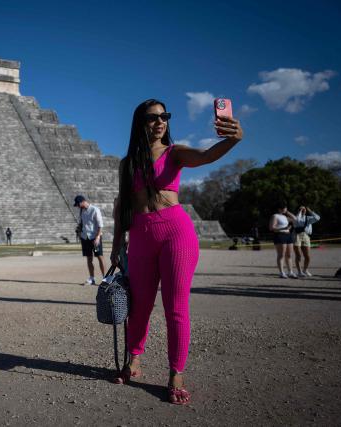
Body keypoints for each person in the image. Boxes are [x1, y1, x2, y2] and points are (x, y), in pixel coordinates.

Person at [109, 99, 244, 404]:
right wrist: (117, 247)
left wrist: (233, 139)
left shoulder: (175, 152)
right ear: (139, 123)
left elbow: (208, 155)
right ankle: (134, 360)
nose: (160, 122)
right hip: (141, 235)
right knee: (139, 306)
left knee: (176, 307)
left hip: (176, 233)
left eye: (164, 116)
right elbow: (122, 208)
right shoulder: (127, 163)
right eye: (152, 118)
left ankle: (176, 374)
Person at [74, 195, 106, 285]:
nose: (77, 206)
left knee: (100, 256)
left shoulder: (95, 210)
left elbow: (100, 225)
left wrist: (97, 237)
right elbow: (82, 223)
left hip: (94, 237)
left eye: (78, 204)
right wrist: (80, 232)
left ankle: (105, 278)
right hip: (85, 237)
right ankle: (92, 278)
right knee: (89, 258)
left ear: (82, 202)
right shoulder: (82, 211)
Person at [269, 203, 297, 279]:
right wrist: (283, 228)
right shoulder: (275, 216)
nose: (285, 209)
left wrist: (287, 212)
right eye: (284, 208)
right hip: (280, 235)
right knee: (281, 255)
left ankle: (290, 272)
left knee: (289, 255)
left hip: (288, 235)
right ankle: (282, 272)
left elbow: (295, 219)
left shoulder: (285, 216)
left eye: (286, 208)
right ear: (279, 209)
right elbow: (271, 228)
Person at [292, 206, 320, 277]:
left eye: (304, 209)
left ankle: (305, 270)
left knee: (307, 256)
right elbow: (297, 220)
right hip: (297, 236)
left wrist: (310, 211)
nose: (303, 210)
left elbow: (317, 218)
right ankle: (299, 271)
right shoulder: (295, 217)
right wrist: (300, 212)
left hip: (306, 236)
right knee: (298, 255)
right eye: (300, 209)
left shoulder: (308, 218)